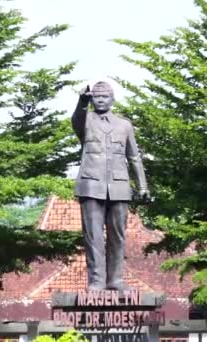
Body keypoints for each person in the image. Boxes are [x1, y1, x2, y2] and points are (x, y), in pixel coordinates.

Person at [72, 81, 150, 291]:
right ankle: (96, 282)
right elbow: (77, 120)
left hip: (119, 187)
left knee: (118, 235)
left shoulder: (124, 125)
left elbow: (134, 157)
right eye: (96, 97)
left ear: (112, 99)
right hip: (91, 186)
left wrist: (142, 186)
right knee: (93, 236)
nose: (100, 100)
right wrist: (82, 102)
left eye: (105, 97)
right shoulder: (85, 120)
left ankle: (115, 280)